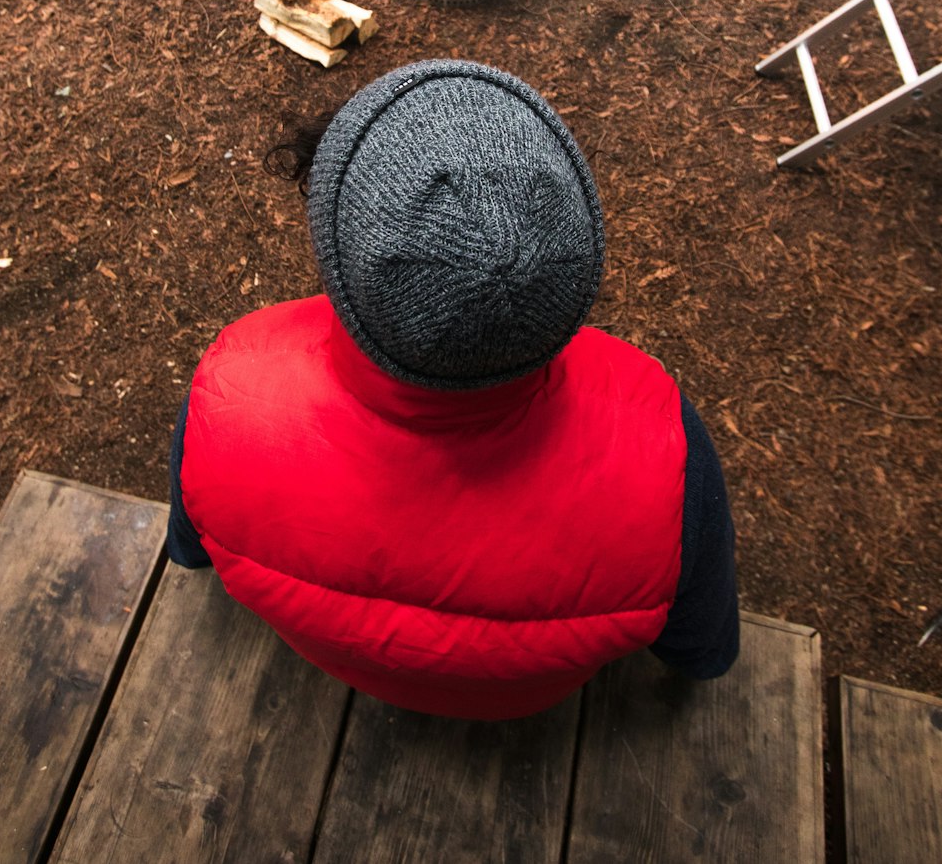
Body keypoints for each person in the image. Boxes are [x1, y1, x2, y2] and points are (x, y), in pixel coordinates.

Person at [167, 60, 738, 720]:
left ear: (340, 252)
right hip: (522, 702)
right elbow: (704, 653)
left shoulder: (232, 391)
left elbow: (190, 552)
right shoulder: (662, 445)